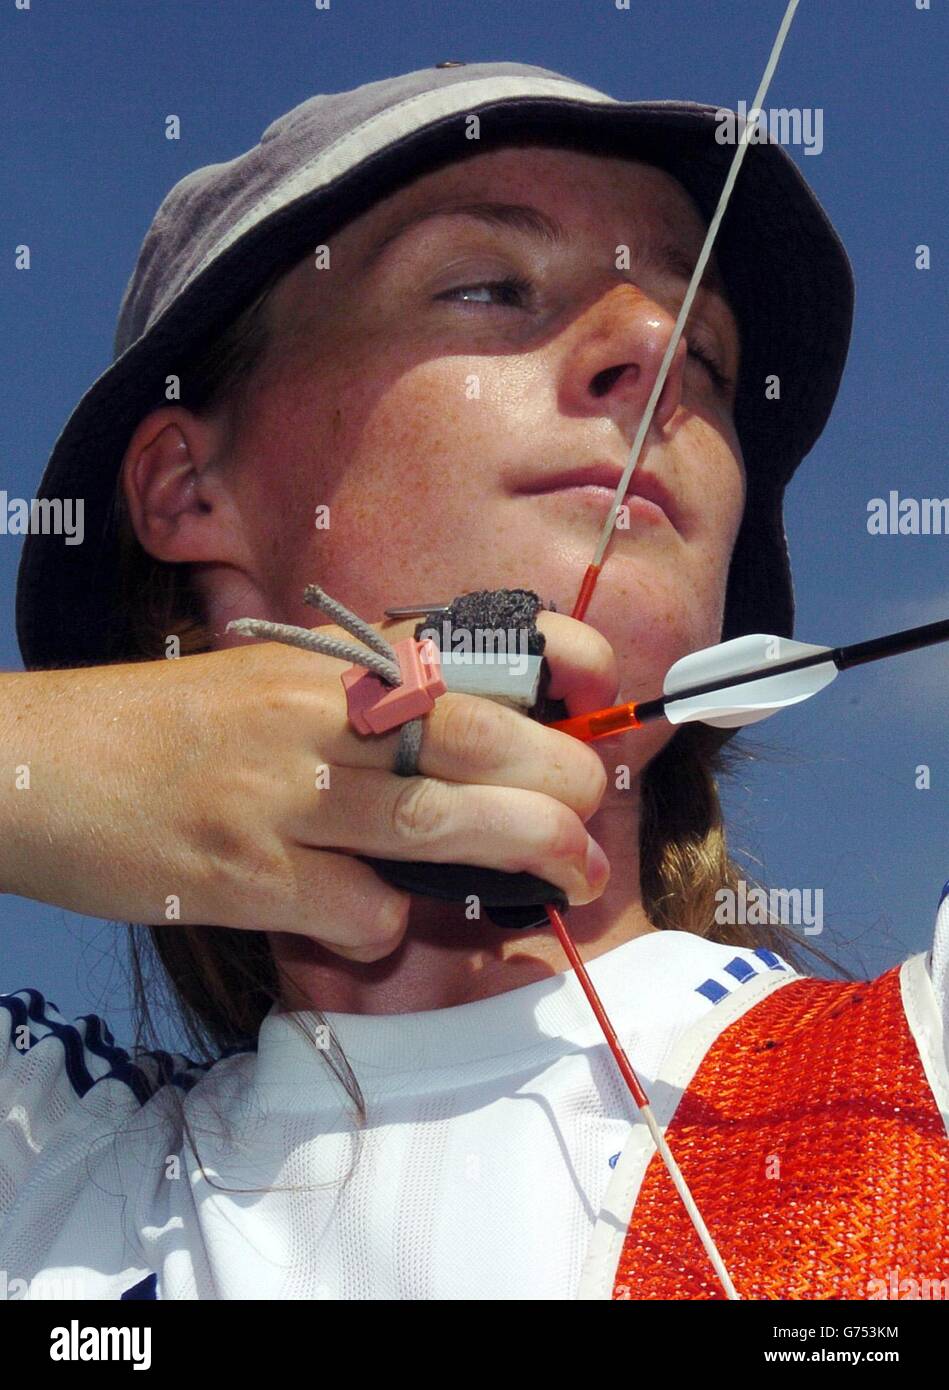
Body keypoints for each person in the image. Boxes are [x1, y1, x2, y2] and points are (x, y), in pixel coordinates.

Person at [2, 61, 946, 1302]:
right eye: (490, 284)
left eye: (706, 358)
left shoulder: (909, 1074)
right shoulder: (44, 1167)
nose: (654, 349)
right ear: (187, 490)